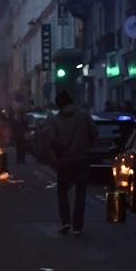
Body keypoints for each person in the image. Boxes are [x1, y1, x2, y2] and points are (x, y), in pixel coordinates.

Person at [44, 90, 98, 235]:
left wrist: (59, 151)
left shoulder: (55, 120)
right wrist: (87, 145)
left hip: (65, 160)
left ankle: (66, 221)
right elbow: (94, 132)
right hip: (82, 158)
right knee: (81, 192)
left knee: (62, 191)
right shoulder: (83, 115)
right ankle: (78, 226)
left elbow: (52, 140)